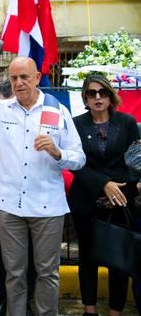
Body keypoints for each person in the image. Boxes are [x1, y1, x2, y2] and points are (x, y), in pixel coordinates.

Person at [0, 49, 86, 316]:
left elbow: (79, 158)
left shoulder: (56, 110)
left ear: (37, 77)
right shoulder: (1, 110)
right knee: (14, 273)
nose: (18, 83)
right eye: (13, 78)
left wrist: (58, 153)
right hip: (8, 207)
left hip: (47, 208)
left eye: (24, 77)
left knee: (47, 273)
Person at [68, 74, 140, 316]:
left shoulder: (127, 123)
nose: (97, 97)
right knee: (87, 258)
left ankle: (115, 312)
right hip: (86, 201)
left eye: (102, 92)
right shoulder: (76, 124)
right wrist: (103, 184)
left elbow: (135, 162)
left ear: (110, 96)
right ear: (85, 98)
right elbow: (75, 163)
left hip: (120, 202)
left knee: (118, 260)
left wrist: (119, 191)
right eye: (91, 93)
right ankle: (90, 311)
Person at [0, 80, 36, 316]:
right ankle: (4, 299)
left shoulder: (37, 116)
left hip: (34, 199)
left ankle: (28, 302)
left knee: (33, 256)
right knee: (4, 256)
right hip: (2, 199)